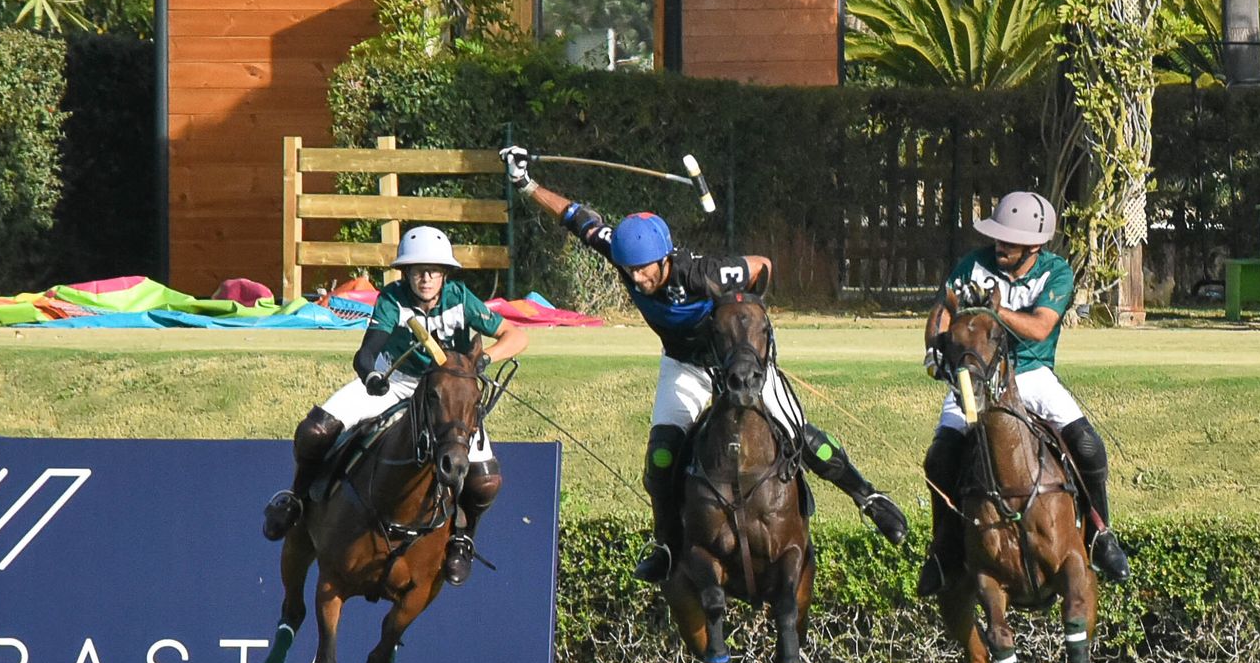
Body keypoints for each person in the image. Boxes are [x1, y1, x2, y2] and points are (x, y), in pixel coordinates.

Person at [501, 145, 908, 582]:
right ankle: (664, 543)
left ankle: (868, 497)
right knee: (660, 457)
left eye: (645, 270)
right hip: (683, 366)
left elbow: (761, 267)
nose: (638, 279)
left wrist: (742, 314)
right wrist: (526, 183)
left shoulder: (701, 272)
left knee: (801, 435)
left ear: (665, 257)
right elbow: (579, 219)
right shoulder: (625, 257)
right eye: (630, 270)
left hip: (736, 364)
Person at [261, 226, 528, 585]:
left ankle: (463, 540)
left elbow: (517, 335)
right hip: (398, 383)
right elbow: (369, 350)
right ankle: (296, 499)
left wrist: (482, 361)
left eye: (433, 270)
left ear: (445, 273)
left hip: (448, 394)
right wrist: (372, 375)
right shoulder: (392, 299)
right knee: (315, 430)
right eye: (418, 270)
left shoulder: (461, 299)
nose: (426, 277)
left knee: (484, 481)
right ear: (405, 273)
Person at [916, 191, 1130, 597]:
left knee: (1088, 446)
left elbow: (1039, 327)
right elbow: (943, 311)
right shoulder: (973, 265)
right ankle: (943, 548)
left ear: (1034, 245)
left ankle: (1101, 534)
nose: (1000, 246)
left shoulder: (1056, 273)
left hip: (1031, 375)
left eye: (1009, 242)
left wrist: (992, 315)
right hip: (976, 377)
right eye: (998, 238)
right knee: (940, 456)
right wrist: (936, 345)